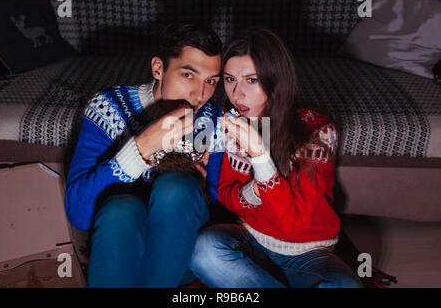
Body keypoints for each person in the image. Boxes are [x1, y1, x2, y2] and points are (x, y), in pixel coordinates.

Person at [189, 28, 363, 288]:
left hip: (309, 252)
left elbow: (294, 227)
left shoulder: (318, 131)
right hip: (249, 240)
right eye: (229, 79)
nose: (236, 94)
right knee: (203, 248)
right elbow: (226, 194)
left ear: (275, 80)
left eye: (251, 80)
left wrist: (260, 156)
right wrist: (255, 190)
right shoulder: (232, 122)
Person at [64, 23, 225, 288]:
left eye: (211, 81)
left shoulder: (212, 121)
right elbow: (78, 213)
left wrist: (204, 192)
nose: (200, 94)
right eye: (188, 75)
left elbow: (221, 205)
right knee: (120, 208)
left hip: (178, 254)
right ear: (158, 68)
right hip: (120, 243)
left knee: (176, 187)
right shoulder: (110, 107)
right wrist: (140, 149)